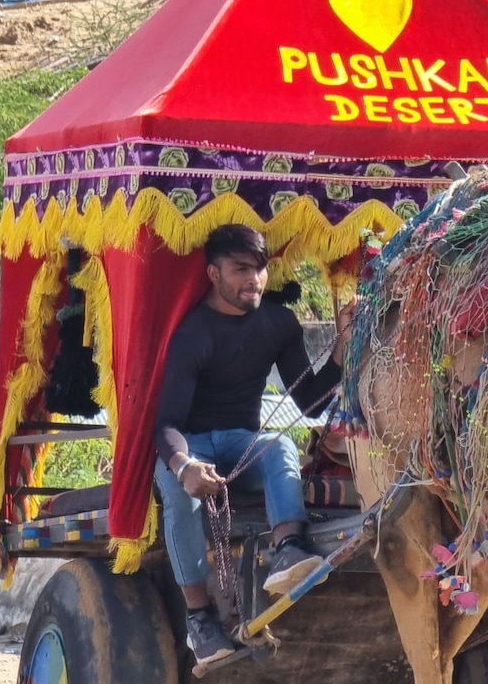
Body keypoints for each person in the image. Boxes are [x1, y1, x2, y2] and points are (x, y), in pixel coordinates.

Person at [153, 224, 352, 666]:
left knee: (280, 448)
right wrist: (185, 467)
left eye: (260, 269)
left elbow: (311, 401)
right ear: (213, 274)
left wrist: (342, 345)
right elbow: (166, 424)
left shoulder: (278, 324)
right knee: (178, 495)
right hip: (190, 445)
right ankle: (200, 617)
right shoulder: (192, 334)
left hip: (242, 443)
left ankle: (288, 550)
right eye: (240, 269)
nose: (254, 280)